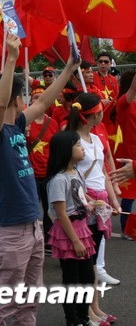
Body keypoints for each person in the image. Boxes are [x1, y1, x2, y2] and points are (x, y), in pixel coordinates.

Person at [0, 34, 79, 326]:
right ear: (14, 97)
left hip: (33, 225)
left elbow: (46, 100)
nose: (27, 101)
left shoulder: (19, 125)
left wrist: (69, 69)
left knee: (30, 295)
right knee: (6, 298)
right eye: (22, 96)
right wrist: (10, 58)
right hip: (11, 230)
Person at [66, 92, 120, 325]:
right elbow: (68, 177)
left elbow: (103, 173)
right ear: (89, 116)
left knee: (95, 258)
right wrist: (87, 201)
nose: (102, 114)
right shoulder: (71, 141)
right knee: (85, 261)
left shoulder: (97, 139)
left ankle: (95, 308)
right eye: (99, 111)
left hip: (102, 204)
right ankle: (85, 311)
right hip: (84, 204)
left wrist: (114, 202)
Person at [46, 130, 95, 326]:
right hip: (69, 233)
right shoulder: (59, 179)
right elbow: (61, 213)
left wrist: (96, 203)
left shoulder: (78, 172)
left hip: (83, 228)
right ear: (66, 150)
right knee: (72, 279)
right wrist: (74, 240)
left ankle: (84, 316)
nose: (82, 149)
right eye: (78, 145)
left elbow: (82, 197)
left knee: (87, 277)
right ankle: (72, 320)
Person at [26, 86, 60, 253]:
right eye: (35, 97)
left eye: (41, 97)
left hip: (48, 173)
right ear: (31, 101)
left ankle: (47, 240)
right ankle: (31, 240)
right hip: (30, 173)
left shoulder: (52, 123)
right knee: (32, 208)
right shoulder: (25, 122)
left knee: (49, 209)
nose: (38, 99)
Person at [111, 71, 136, 239]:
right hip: (129, 156)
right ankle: (126, 229)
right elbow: (133, 88)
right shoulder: (122, 104)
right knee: (129, 195)